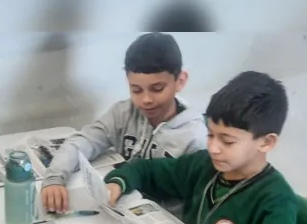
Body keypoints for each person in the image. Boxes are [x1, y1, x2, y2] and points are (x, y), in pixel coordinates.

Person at [103, 71, 297, 224]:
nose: (214, 147)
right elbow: (147, 170)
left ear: (266, 142)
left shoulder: (275, 198)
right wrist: (119, 181)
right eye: (210, 134)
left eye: (227, 141)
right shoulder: (204, 164)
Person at [41, 32, 207, 213]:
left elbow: (196, 202)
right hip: (117, 207)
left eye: (157, 89)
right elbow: (84, 140)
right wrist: (54, 178)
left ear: (180, 81)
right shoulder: (124, 112)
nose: (146, 100)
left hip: (162, 220)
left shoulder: (195, 137)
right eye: (136, 90)